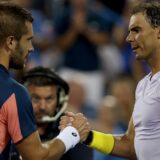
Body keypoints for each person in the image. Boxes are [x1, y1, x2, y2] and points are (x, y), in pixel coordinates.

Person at [60, 1, 160, 160]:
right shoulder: (143, 85)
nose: (128, 38)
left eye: (136, 30)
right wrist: (87, 135)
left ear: (158, 32)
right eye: (129, 31)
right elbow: (130, 145)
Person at [0, 2, 90, 160]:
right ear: (11, 42)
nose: (31, 48)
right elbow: (37, 157)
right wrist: (72, 133)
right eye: (28, 40)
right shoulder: (14, 93)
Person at [10, 66, 93, 160]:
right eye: (36, 98)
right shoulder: (8, 126)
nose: (42, 106)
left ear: (59, 101)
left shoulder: (72, 129)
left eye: (49, 99)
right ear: (23, 98)